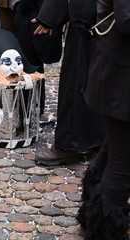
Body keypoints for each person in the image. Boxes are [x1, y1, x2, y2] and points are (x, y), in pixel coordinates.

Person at [76, 0, 130, 238]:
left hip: (117, 73)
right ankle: (105, 231)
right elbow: (127, 19)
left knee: (114, 149)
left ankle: (93, 209)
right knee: (123, 164)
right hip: (120, 77)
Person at [32, 0, 106, 166]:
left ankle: (70, 143)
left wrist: (49, 16)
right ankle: (99, 140)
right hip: (108, 20)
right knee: (101, 80)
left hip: (90, 23)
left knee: (78, 78)